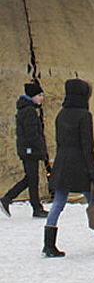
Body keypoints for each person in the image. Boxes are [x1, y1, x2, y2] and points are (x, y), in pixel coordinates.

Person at [43, 79, 94, 257]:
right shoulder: (84, 115)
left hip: (62, 162)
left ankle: (48, 243)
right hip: (80, 163)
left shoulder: (61, 114)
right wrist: (93, 171)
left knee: (58, 203)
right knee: (92, 199)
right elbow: (87, 146)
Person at [1, 83, 50, 218]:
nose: (42, 98)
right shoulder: (29, 111)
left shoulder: (25, 109)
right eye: (39, 95)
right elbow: (31, 134)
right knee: (32, 179)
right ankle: (33, 207)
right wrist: (39, 148)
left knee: (31, 178)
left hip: (28, 150)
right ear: (32, 97)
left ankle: (10, 199)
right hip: (30, 150)